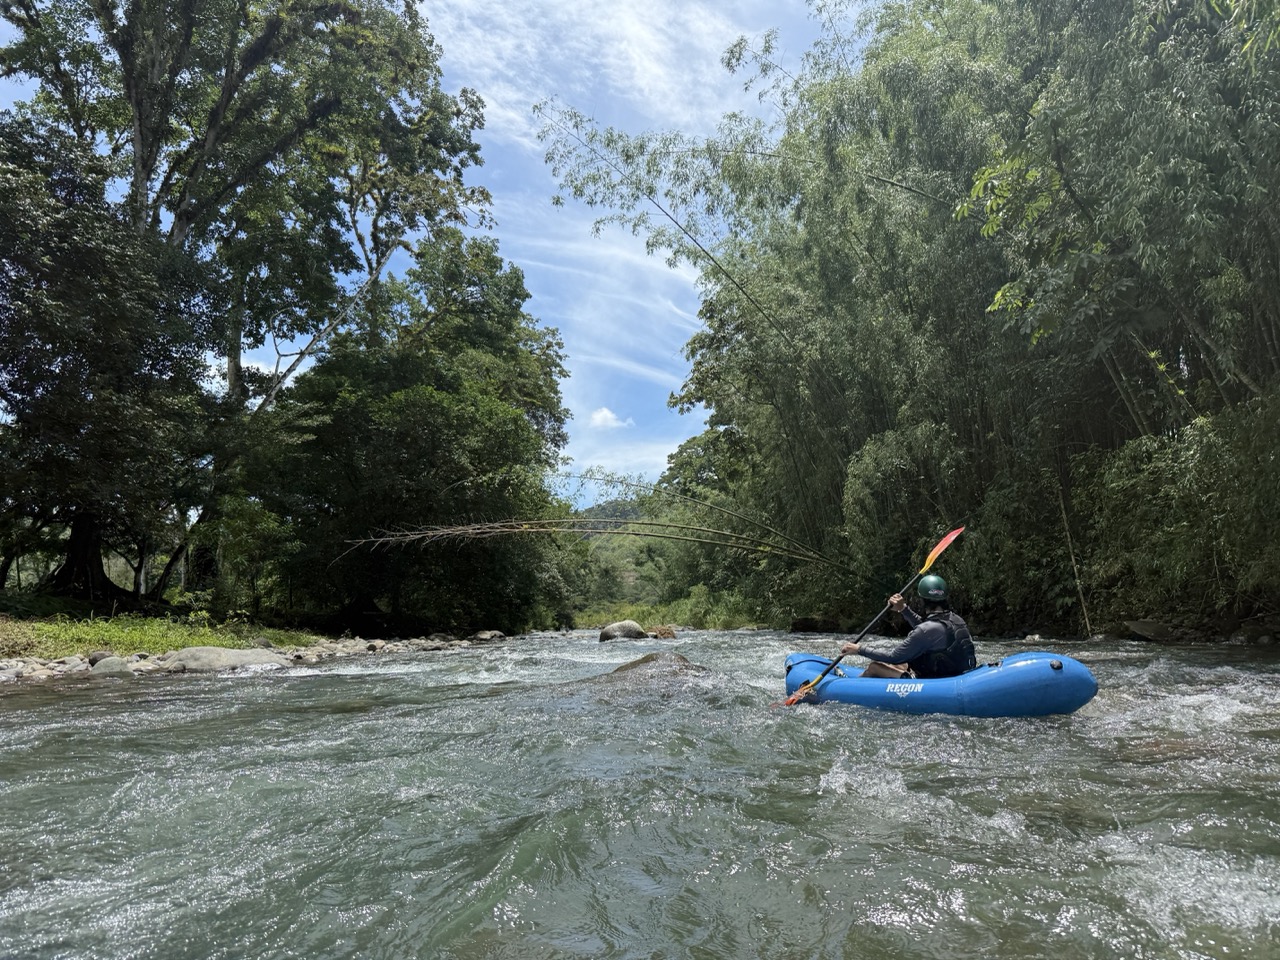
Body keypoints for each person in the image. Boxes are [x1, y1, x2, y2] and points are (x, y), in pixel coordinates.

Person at [840, 574, 977, 679]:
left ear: (922, 601)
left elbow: (893, 656)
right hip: (955, 672)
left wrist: (859, 649)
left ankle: (851, 686)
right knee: (902, 664)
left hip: (936, 678)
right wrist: (903, 609)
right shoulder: (955, 619)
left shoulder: (926, 630)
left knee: (874, 667)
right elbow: (928, 629)